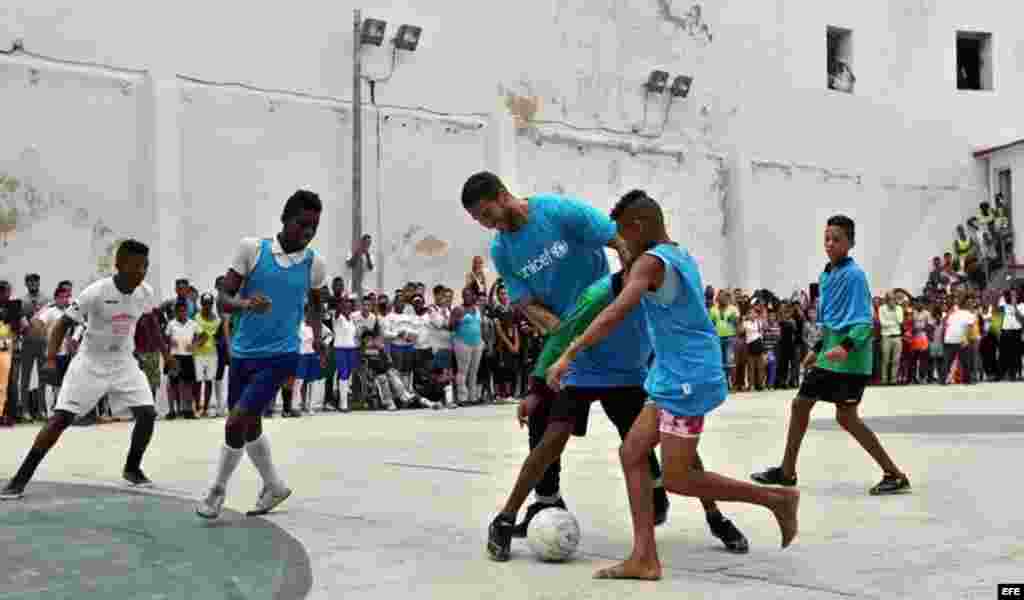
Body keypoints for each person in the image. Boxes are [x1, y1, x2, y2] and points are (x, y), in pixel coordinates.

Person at [461, 171, 747, 562]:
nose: (486, 222)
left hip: (622, 349)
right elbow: (526, 302)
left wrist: (632, 278)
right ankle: (506, 517)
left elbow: (618, 237)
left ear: (502, 194)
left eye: (485, 212)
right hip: (576, 354)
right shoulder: (503, 251)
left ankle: (715, 516)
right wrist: (560, 333)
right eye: (478, 219)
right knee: (550, 438)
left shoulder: (558, 212)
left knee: (668, 436)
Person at [546, 191, 799, 579]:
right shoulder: (678, 253)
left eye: (622, 240)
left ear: (639, 228)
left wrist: (570, 352)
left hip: (687, 380)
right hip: (671, 376)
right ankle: (644, 557)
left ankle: (775, 499)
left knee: (678, 477)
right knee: (632, 453)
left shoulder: (650, 263)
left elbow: (616, 311)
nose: (621, 249)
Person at [751, 215, 911, 495]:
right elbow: (828, 323)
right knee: (810, 407)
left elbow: (863, 321)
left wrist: (845, 347)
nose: (830, 244)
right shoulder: (826, 276)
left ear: (850, 243)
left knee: (838, 415)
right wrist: (817, 350)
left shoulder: (855, 275)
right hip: (831, 357)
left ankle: (893, 474)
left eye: (837, 239)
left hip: (851, 358)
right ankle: (787, 471)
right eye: (826, 238)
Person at [1, 240, 173, 499]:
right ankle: (19, 480)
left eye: (145, 267)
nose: (141, 272)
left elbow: (149, 323)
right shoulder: (96, 292)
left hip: (124, 362)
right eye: (135, 266)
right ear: (119, 265)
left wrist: (166, 354)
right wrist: (49, 360)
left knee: (148, 414)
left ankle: (132, 468)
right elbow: (61, 325)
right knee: (61, 419)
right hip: (90, 362)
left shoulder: (145, 292)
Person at [195, 190, 328, 519]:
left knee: (236, 419)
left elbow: (314, 303)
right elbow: (223, 297)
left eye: (314, 226)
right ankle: (274, 486)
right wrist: (245, 303)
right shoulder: (253, 249)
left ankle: (217, 491)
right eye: (302, 224)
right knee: (248, 422)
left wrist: (318, 337)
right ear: (285, 219)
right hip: (242, 353)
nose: (308, 232)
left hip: (282, 354)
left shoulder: (315, 264)